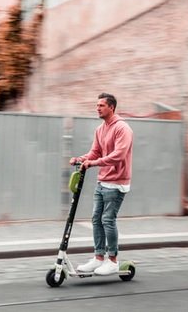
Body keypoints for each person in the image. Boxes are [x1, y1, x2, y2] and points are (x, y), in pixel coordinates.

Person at [69, 93, 133, 275]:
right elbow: (95, 152)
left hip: (117, 182)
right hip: (102, 181)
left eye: (101, 105)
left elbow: (118, 155)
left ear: (111, 107)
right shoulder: (100, 129)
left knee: (107, 219)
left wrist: (94, 163)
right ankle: (98, 258)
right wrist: (80, 159)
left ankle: (112, 260)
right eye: (97, 105)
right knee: (96, 219)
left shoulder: (122, 128)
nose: (97, 108)